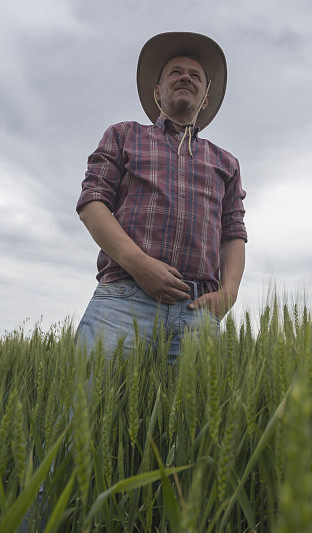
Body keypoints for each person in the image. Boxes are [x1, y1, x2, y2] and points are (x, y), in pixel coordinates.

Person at [74, 31, 248, 361]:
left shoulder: (226, 162)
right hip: (124, 297)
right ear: (158, 91)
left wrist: (230, 293)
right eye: (175, 72)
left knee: (194, 414)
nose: (186, 77)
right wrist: (139, 265)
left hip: (199, 309)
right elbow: (92, 203)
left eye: (195, 75)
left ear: (205, 98)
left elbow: (233, 234)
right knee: (92, 411)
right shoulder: (124, 134)